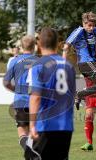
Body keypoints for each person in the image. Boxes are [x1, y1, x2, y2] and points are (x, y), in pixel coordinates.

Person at [26, 27, 76, 160]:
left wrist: (32, 125)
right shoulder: (69, 66)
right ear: (57, 44)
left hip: (45, 125)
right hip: (66, 126)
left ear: (39, 43)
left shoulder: (38, 65)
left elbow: (35, 96)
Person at [3, 35, 38, 158]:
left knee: (23, 134)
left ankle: (31, 155)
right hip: (36, 102)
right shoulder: (40, 61)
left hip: (20, 102)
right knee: (33, 134)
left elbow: (6, 82)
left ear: (21, 47)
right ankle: (32, 154)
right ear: (34, 46)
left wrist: (17, 90)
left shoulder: (14, 61)